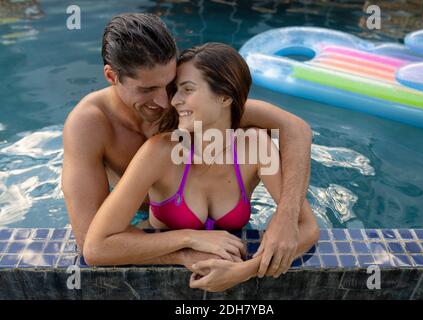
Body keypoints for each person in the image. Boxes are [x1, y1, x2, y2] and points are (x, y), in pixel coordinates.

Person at [62, 13, 314, 281]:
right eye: (147, 89)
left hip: (212, 211)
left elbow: (296, 129)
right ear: (112, 77)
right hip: (138, 217)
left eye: (170, 84)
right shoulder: (89, 125)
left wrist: (285, 219)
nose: (164, 101)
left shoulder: (198, 110)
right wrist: (182, 252)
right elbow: (91, 241)